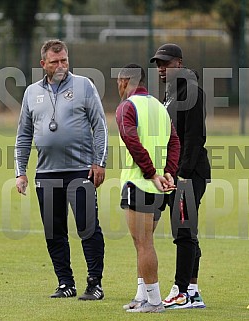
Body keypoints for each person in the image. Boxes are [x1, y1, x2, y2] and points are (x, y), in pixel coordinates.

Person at [15, 39, 108, 300]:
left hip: (81, 171)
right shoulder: (32, 92)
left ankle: (94, 283)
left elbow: (100, 126)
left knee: (88, 227)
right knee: (54, 231)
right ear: (43, 63)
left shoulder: (84, 86)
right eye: (55, 61)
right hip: (46, 174)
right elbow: (23, 134)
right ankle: (65, 283)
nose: (61, 65)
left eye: (64, 59)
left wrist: (100, 162)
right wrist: (20, 171)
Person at [148, 43, 211, 309]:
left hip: (188, 175)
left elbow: (195, 139)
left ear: (179, 64)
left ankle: (181, 291)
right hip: (174, 174)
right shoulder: (171, 94)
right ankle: (193, 291)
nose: (161, 68)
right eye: (158, 64)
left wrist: (182, 175)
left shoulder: (192, 91)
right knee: (186, 232)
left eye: (166, 63)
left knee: (184, 233)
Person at [116, 63, 180, 313]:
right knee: (142, 242)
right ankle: (142, 296)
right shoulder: (158, 106)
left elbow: (130, 140)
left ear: (123, 82)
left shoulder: (127, 107)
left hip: (139, 183)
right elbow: (174, 141)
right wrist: (168, 172)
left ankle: (154, 301)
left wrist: (152, 173)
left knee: (143, 243)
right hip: (156, 188)